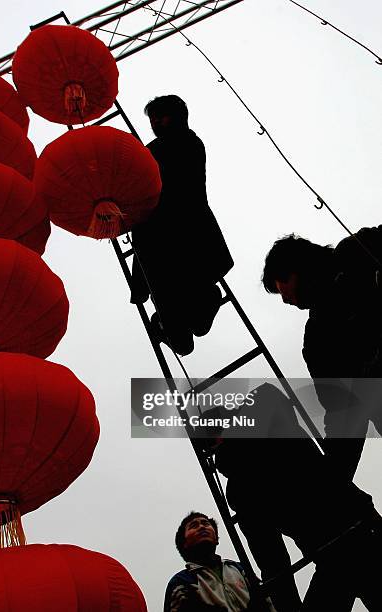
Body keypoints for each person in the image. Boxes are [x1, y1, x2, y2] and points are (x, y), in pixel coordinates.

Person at [206, 383, 382, 611]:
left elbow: (272, 561)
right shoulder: (240, 489)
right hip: (347, 545)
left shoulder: (239, 487)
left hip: (354, 541)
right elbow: (272, 561)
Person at [262, 229, 382, 481]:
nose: (284, 300)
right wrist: (332, 482)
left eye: (281, 283)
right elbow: (342, 414)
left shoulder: (356, 250)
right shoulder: (317, 340)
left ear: (296, 268)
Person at [131, 95, 233, 356]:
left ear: (178, 117)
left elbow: (173, 189)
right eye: (152, 118)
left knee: (197, 323)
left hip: (184, 240)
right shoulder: (157, 149)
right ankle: (172, 320)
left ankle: (203, 300)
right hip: (159, 245)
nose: (155, 122)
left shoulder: (187, 143)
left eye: (160, 116)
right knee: (182, 344)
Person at [164, 511, 276, 611]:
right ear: (184, 543)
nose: (202, 527)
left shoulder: (239, 568)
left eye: (206, 523)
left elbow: (268, 601)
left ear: (216, 538)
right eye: (194, 526)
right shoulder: (181, 582)